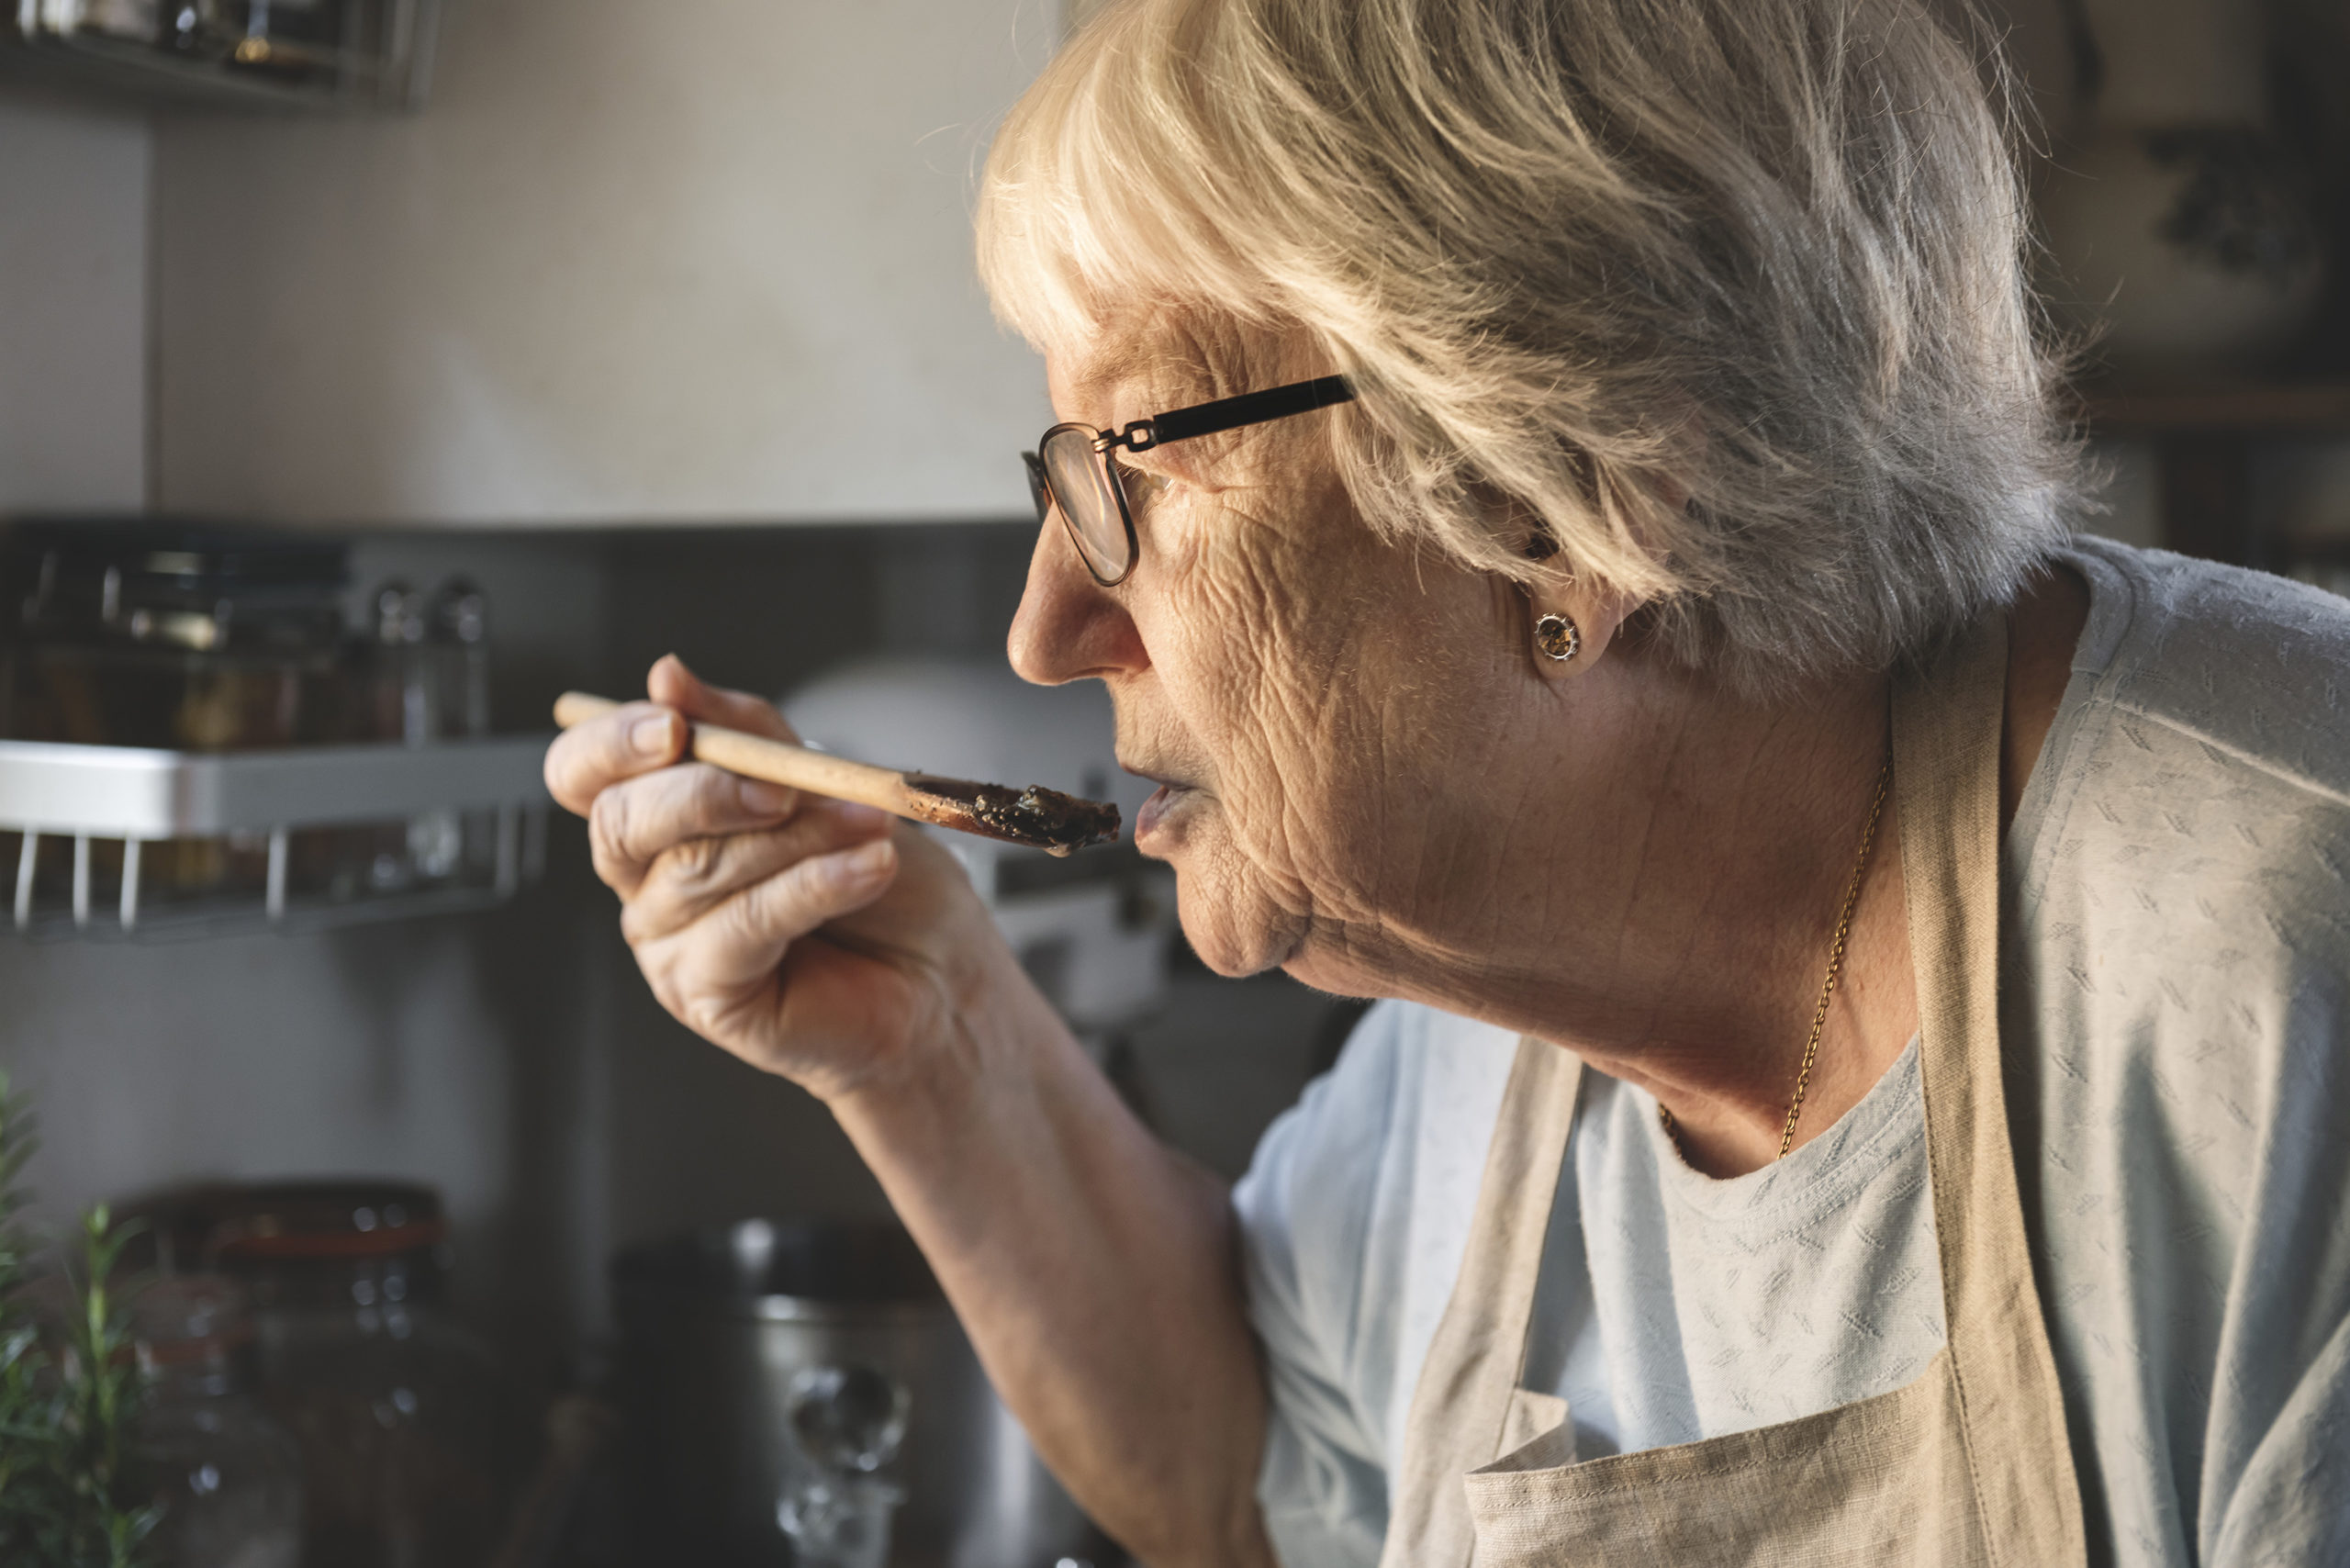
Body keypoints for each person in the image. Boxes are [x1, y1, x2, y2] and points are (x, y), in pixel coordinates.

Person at [543, 0, 2350, 1562]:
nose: (1046, 623)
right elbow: (1255, 1484)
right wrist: (935, 1042)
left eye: (1126, 477)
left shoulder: (2272, 974)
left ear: (1575, 511)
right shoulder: (1496, 983)